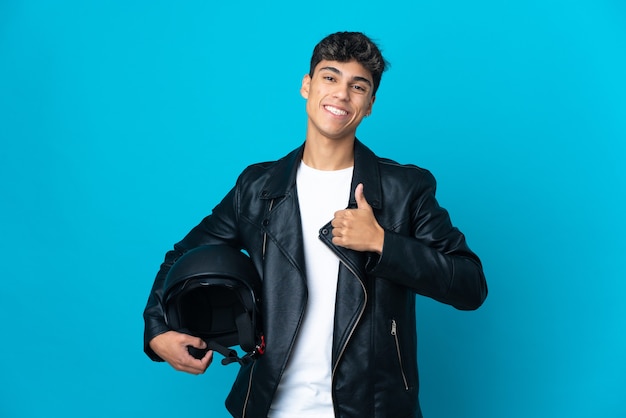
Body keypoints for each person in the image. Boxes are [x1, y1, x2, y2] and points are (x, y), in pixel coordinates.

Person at [144, 31, 488, 418]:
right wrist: (158, 330)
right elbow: (182, 256)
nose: (341, 94)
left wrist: (383, 244)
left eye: (358, 86)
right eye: (330, 77)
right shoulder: (257, 188)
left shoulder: (403, 190)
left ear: (370, 104)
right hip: (271, 407)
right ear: (307, 86)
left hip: (373, 409)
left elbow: (470, 284)